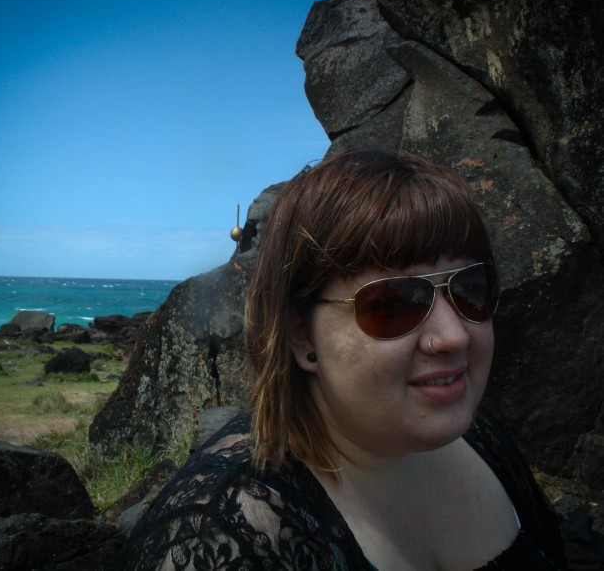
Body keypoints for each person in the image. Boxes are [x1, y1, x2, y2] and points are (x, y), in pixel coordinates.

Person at [121, 150, 566, 570]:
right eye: (392, 304)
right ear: (301, 334)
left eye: (470, 289)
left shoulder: (482, 438)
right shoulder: (229, 536)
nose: (453, 336)